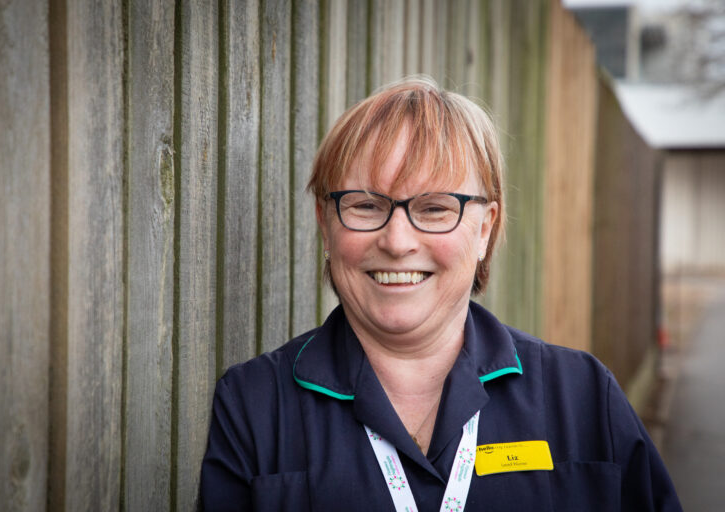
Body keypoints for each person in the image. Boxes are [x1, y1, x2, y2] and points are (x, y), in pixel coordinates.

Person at [200, 77, 681, 511]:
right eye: (366, 205)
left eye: (433, 208)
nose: (397, 240)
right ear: (326, 226)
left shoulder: (581, 398)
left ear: (484, 231)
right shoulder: (254, 406)